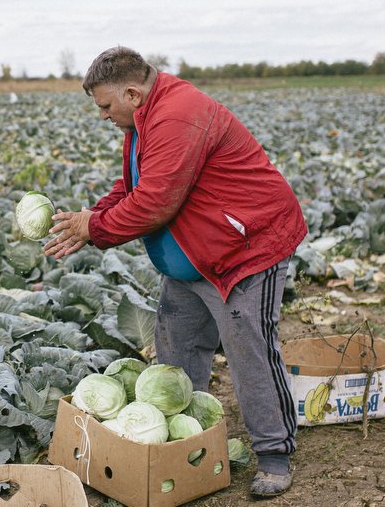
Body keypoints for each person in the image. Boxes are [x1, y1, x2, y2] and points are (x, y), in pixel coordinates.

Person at [45, 47, 307, 498]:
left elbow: (155, 203)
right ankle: (183, 447)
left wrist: (96, 228)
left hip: (242, 253)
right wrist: (92, 215)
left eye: (106, 106)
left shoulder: (177, 115)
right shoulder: (144, 118)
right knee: (176, 353)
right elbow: (133, 186)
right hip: (193, 261)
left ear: (132, 92)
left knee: (250, 351)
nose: (103, 116)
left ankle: (274, 453)